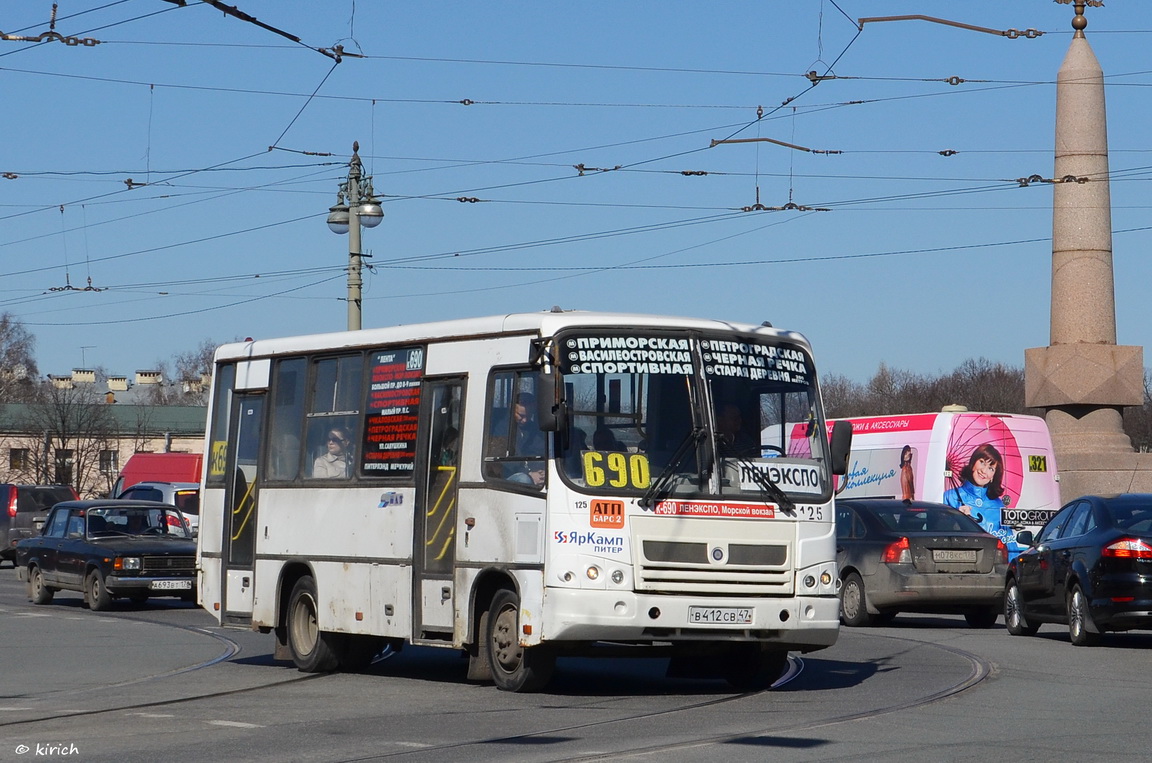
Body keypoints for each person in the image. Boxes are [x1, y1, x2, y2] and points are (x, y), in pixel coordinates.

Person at [942, 443, 1006, 522]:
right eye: (982, 462)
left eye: (991, 469)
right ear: (973, 463)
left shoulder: (999, 506)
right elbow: (937, 529)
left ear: (993, 476)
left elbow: (1007, 534)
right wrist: (956, 520)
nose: (984, 471)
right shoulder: (949, 497)